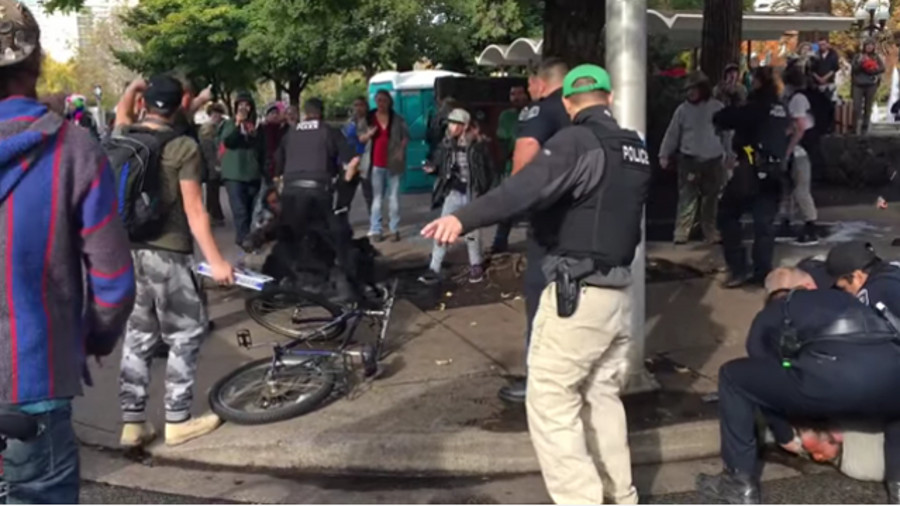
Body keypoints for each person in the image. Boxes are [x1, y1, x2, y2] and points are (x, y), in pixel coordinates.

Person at [422, 64, 650, 504]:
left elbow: (521, 190)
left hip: (578, 296)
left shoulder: (576, 141)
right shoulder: (633, 148)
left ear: (566, 103)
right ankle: (622, 496)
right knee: (601, 396)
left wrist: (460, 218)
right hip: (618, 294)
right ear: (610, 97)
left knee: (550, 400)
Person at [0, 3, 135, 501]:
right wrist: (93, 339)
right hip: (34, 382)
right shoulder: (75, 149)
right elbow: (115, 282)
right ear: (36, 62)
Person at [697, 267, 900, 504]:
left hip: (832, 383)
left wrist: (783, 432)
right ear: (810, 285)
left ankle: (738, 485)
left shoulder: (775, 312)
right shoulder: (850, 300)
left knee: (733, 377)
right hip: (893, 376)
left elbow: (764, 375)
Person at [117, 75, 235, 449]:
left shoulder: (124, 136)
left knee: (138, 337)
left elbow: (122, 111)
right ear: (182, 103)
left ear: (145, 104)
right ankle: (177, 419)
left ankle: (132, 423)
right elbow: (195, 210)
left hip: (128, 251)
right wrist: (217, 261)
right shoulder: (184, 147)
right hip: (170, 253)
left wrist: (133, 88)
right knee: (184, 334)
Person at [498, 57, 571, 404]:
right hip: (588, 221)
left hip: (550, 222)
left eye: (529, 85)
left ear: (541, 83)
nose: (528, 91)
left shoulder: (540, 112)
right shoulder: (585, 110)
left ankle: (539, 381)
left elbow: (524, 159)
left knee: (541, 300)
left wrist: (515, 202)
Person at [275, 97, 363, 302]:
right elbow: (353, 160)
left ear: (306, 113)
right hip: (319, 191)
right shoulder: (329, 131)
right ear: (321, 112)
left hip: (290, 192)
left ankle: (292, 282)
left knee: (294, 238)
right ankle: (344, 284)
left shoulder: (291, 132)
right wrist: (345, 184)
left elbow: (277, 166)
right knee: (333, 236)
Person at [713, 67, 790, 288]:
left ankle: (738, 268)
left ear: (757, 83)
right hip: (775, 173)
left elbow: (723, 118)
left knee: (727, 214)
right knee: (764, 225)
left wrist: (732, 100)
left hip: (749, 171)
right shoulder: (780, 109)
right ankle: (762, 271)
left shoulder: (757, 107)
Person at [419, 108, 494, 285]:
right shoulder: (447, 144)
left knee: (472, 231)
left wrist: (483, 190)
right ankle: (434, 268)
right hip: (454, 192)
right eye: (450, 123)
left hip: (472, 192)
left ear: (464, 126)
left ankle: (476, 265)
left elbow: (489, 170)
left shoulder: (477, 145)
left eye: (455, 124)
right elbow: (440, 164)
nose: (451, 127)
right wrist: (433, 169)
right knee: (443, 229)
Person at [659, 71, 725, 245]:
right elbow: (673, 133)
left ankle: (709, 231)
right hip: (689, 159)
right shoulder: (682, 110)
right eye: (688, 90)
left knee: (711, 199)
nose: (690, 93)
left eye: (693, 89)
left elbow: (727, 134)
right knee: (687, 197)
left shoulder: (717, 108)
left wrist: (730, 155)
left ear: (703, 89)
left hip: (713, 159)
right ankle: (681, 232)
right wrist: (664, 154)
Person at [359, 90, 408, 242]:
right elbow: (361, 138)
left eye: (384, 101)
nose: (381, 104)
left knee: (393, 197)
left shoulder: (397, 119)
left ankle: (394, 229)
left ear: (389, 102)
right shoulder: (369, 118)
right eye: (379, 100)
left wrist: (401, 149)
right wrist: (369, 135)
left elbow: (405, 136)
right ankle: (376, 229)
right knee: (377, 198)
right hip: (376, 163)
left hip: (393, 162)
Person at [779, 66, 820, 246]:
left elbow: (800, 127)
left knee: (800, 189)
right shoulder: (798, 97)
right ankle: (786, 220)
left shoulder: (797, 99)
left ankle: (810, 224)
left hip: (800, 150)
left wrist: (788, 149)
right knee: (788, 188)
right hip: (799, 149)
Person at [488, 84, 530, 255]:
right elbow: (504, 139)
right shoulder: (506, 116)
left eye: (520, 93)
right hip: (512, 165)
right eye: (513, 94)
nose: (516, 97)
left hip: (535, 165)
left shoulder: (536, 112)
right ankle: (500, 241)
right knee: (507, 206)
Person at [219, 91, 264, 246]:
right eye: (241, 105)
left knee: (252, 208)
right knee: (240, 210)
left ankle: (250, 237)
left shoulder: (256, 126)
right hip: (234, 174)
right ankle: (243, 239)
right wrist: (238, 124)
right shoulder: (229, 124)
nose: (244, 108)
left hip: (252, 173)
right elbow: (228, 141)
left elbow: (262, 149)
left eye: (247, 105)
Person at [826, 241, 900, 317]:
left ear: (858, 277)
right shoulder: (893, 268)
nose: (843, 293)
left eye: (842, 288)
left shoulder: (874, 293)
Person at [199, 102, 226, 226]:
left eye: (218, 114)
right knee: (212, 191)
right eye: (214, 114)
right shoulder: (208, 129)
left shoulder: (218, 128)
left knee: (212, 191)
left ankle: (214, 214)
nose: (216, 116)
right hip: (211, 164)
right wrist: (215, 165)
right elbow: (208, 151)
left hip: (213, 163)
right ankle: (214, 215)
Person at [344, 96, 373, 212]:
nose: (358, 108)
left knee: (368, 192)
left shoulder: (370, 121)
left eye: (360, 105)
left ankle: (375, 220)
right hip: (351, 159)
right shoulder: (350, 121)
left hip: (366, 159)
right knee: (347, 192)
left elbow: (365, 138)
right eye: (355, 105)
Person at [852, 38, 885, 135]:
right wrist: (861, 64)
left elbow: (882, 68)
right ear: (864, 46)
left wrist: (872, 69)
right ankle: (855, 126)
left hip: (871, 84)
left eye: (871, 45)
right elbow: (854, 69)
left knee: (868, 106)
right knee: (856, 106)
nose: (869, 47)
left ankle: (865, 126)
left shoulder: (876, 57)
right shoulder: (858, 56)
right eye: (867, 45)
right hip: (858, 84)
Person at [812, 38, 840, 119]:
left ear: (828, 45)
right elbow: (812, 69)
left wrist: (826, 77)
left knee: (829, 104)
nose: (822, 46)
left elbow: (835, 68)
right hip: (817, 82)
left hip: (829, 82)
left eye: (823, 44)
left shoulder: (833, 55)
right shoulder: (815, 55)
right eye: (820, 45)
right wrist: (818, 78)